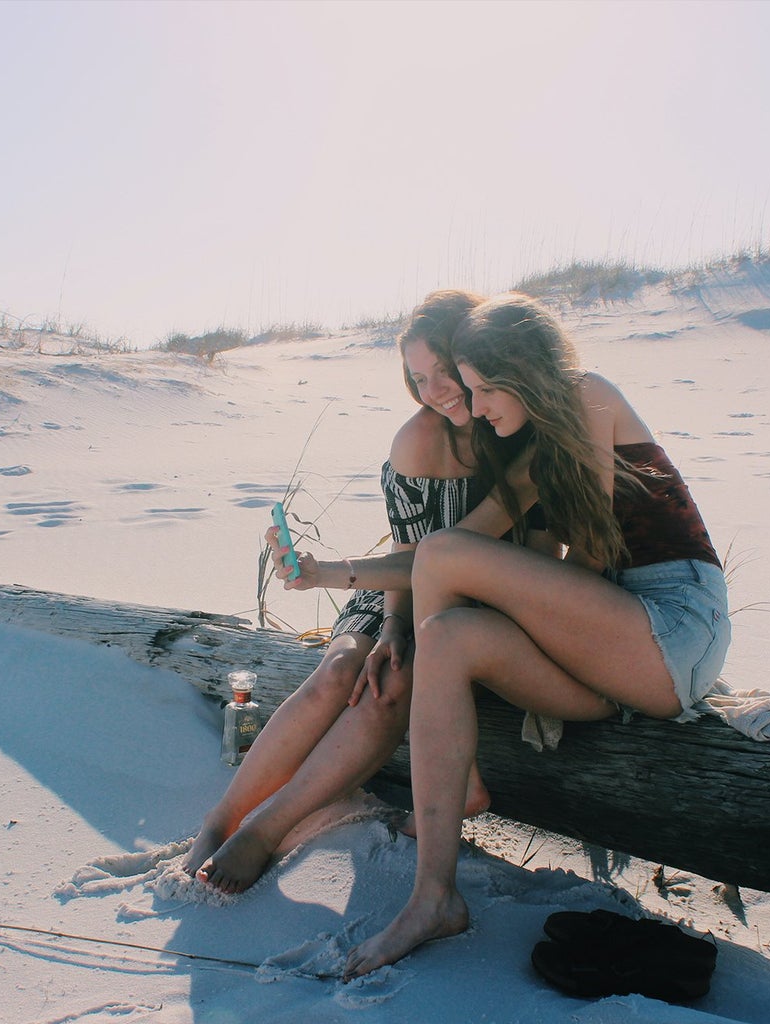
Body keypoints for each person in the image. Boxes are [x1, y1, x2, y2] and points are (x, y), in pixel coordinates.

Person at [343, 293, 731, 980]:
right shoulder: (539, 448)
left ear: (527, 372)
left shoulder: (588, 398)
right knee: (450, 634)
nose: (478, 404)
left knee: (442, 564)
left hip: (672, 628)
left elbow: (580, 565)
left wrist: (467, 582)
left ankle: (459, 786)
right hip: (613, 654)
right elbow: (460, 545)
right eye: (471, 388)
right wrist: (328, 574)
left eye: (487, 388)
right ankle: (433, 897)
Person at [186, 289, 512, 894]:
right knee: (341, 668)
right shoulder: (418, 440)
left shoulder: (507, 427)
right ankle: (222, 819)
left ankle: (266, 831)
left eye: (445, 370)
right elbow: (407, 549)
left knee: (388, 686)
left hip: (474, 606)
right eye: (419, 378)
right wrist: (390, 626)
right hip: (397, 590)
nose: (437, 389)